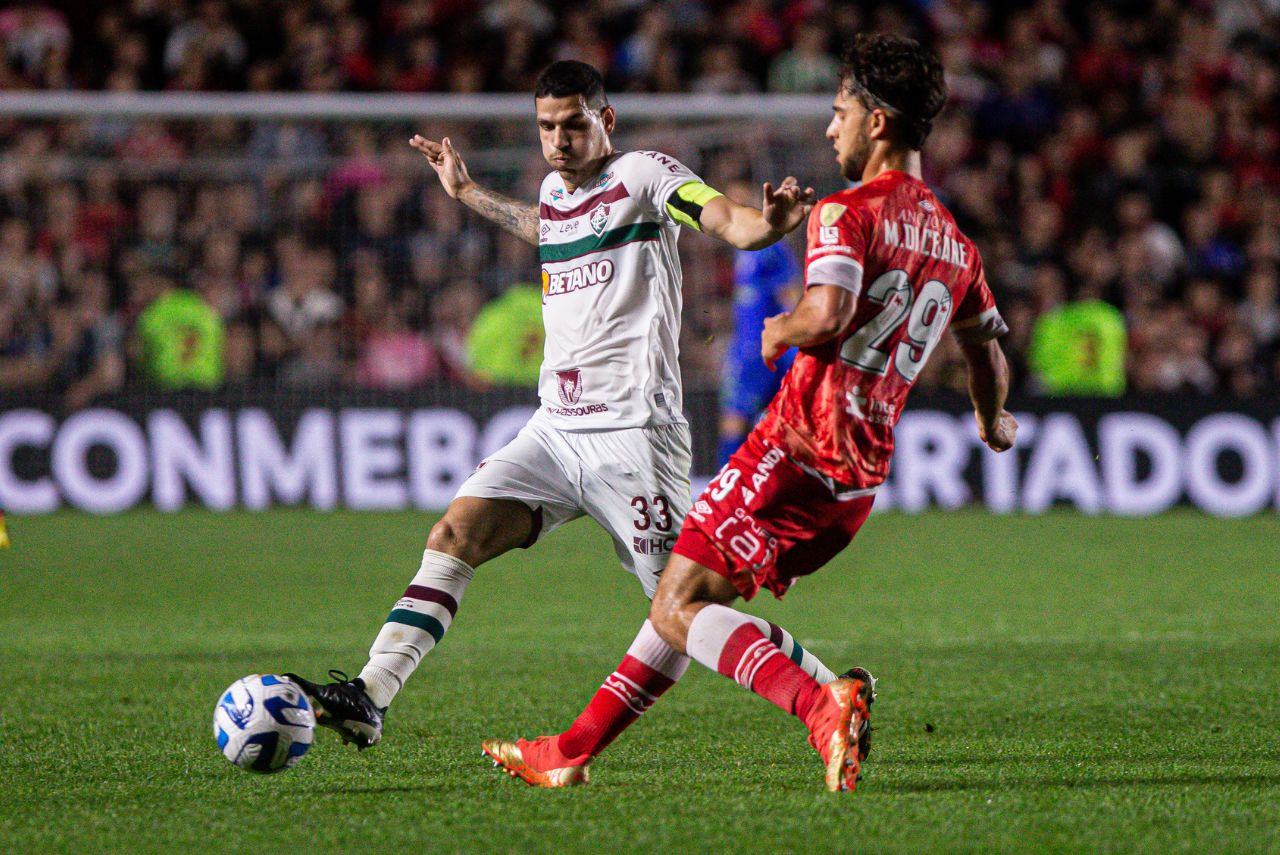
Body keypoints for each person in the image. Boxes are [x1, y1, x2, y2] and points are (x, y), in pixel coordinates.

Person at [483, 34, 1017, 793]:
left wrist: (782, 327)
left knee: (677, 605)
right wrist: (992, 422)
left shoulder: (847, 211)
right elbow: (989, 356)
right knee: (688, 602)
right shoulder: (956, 244)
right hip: (857, 485)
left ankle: (820, 701)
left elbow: (827, 312)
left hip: (794, 449)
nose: (830, 129)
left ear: (878, 123)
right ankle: (571, 749)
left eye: (839, 114)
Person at [285, 60, 843, 751]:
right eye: (546, 126)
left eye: (573, 123)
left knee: (684, 608)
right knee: (453, 534)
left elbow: (723, 218)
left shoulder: (645, 175)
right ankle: (371, 692)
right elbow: (549, 226)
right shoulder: (554, 189)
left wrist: (766, 228)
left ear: (604, 120)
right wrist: (466, 193)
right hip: (554, 432)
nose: (558, 138)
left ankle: (829, 687)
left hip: (634, 436)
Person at [718, 180, 803, 466]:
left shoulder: (770, 246)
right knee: (743, 420)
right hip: (747, 345)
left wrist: (797, 337)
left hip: (764, 349)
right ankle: (732, 486)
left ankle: (724, 486)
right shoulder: (741, 248)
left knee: (739, 419)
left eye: (740, 200)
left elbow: (790, 295)